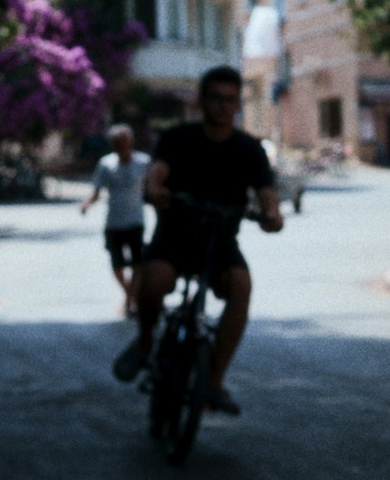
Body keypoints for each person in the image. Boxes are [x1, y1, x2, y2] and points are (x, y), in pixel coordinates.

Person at [110, 65, 284, 414]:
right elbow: (156, 175)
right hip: (174, 235)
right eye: (215, 98)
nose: (223, 106)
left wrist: (272, 214)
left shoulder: (249, 149)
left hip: (220, 240)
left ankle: (213, 383)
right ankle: (145, 341)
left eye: (230, 99)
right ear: (201, 100)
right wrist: (154, 190)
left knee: (241, 286)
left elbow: (266, 192)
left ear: (238, 103)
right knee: (153, 281)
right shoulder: (177, 138)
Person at [80, 123, 151, 317]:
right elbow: (96, 190)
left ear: (131, 142)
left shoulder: (144, 162)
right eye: (117, 143)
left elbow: (151, 188)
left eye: (124, 142)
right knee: (117, 265)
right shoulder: (106, 164)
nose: (121, 147)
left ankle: (129, 302)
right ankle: (131, 295)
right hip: (114, 222)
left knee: (138, 263)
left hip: (135, 221)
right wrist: (87, 204)